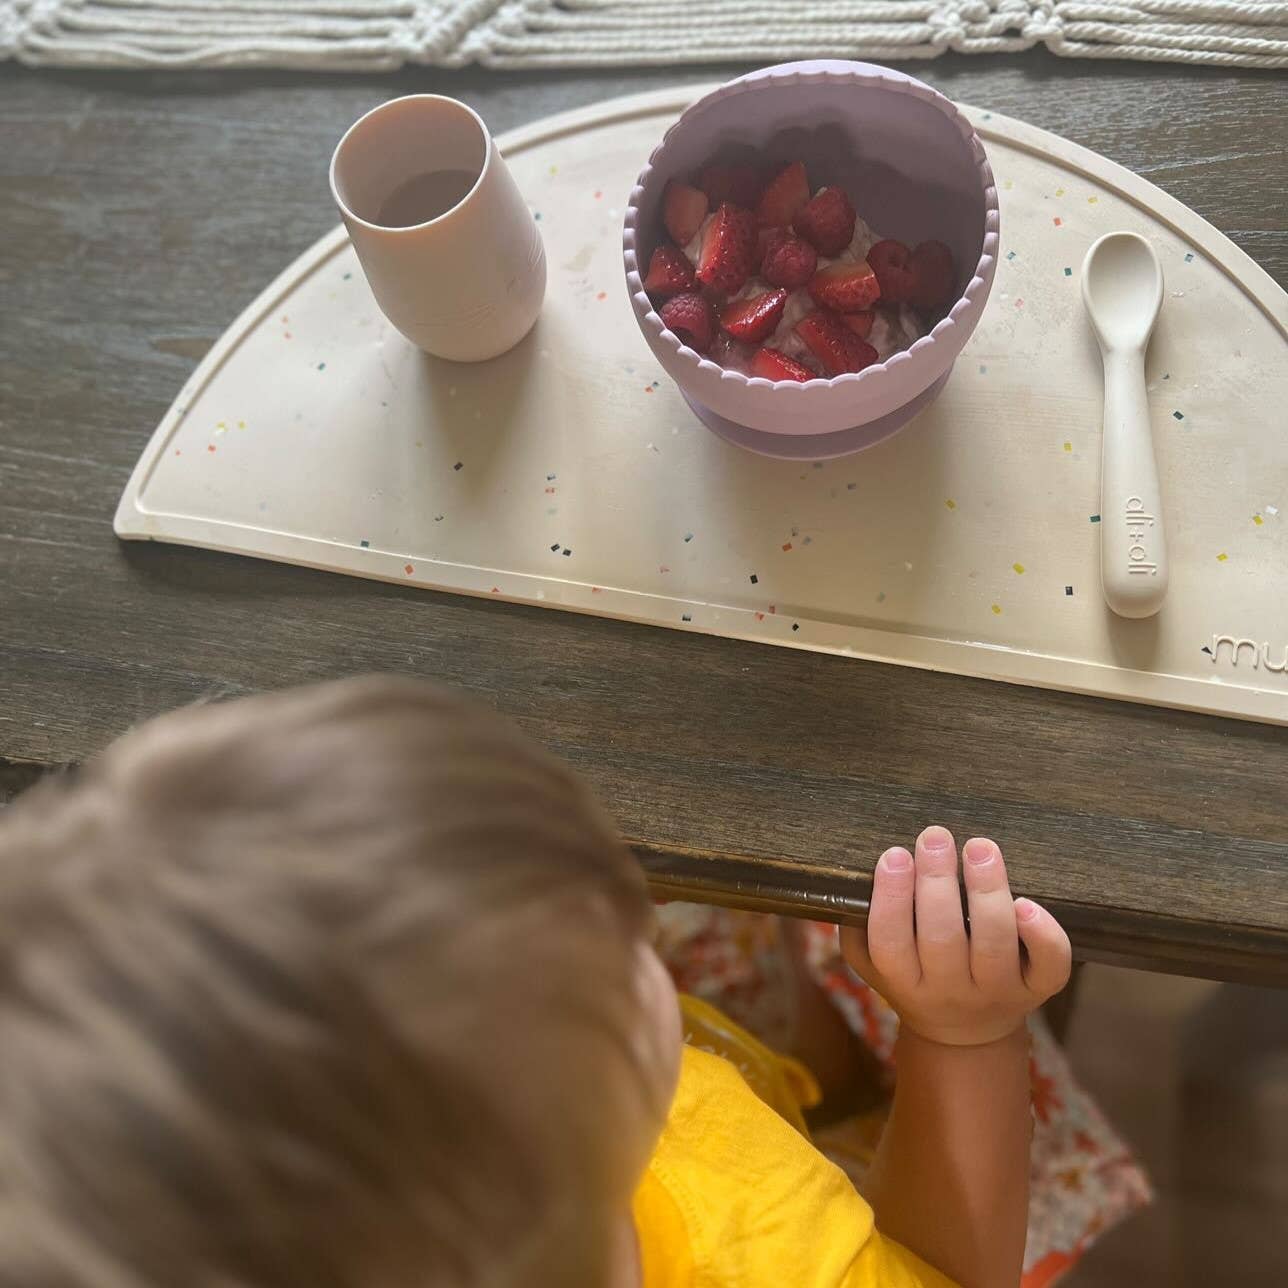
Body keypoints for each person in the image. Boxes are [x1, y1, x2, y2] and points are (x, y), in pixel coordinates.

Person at [0, 675, 1071, 1288]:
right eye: (615, 938)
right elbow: (944, 1276)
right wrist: (962, 1037)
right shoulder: (777, 1260)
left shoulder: (487, 1174)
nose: (631, 907)